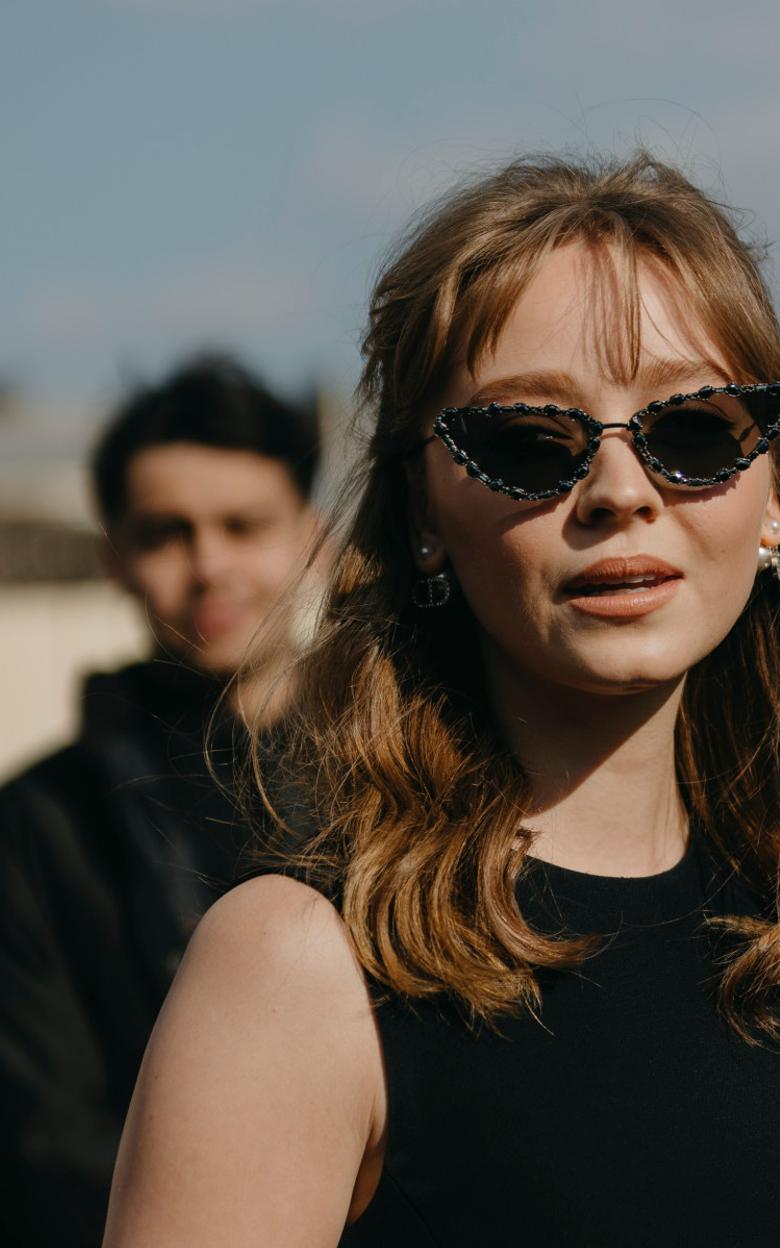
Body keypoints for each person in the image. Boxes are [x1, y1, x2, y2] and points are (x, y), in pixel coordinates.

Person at [103, 156, 780, 1247]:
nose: (621, 490)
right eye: (528, 442)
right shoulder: (298, 968)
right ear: (422, 510)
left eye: (696, 427)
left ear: (776, 495)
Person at [0, 356, 321, 1247]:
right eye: (167, 533)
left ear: (314, 536)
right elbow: (44, 1131)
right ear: (116, 557)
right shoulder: (40, 822)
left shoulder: (406, 781)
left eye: (243, 525)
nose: (210, 565)